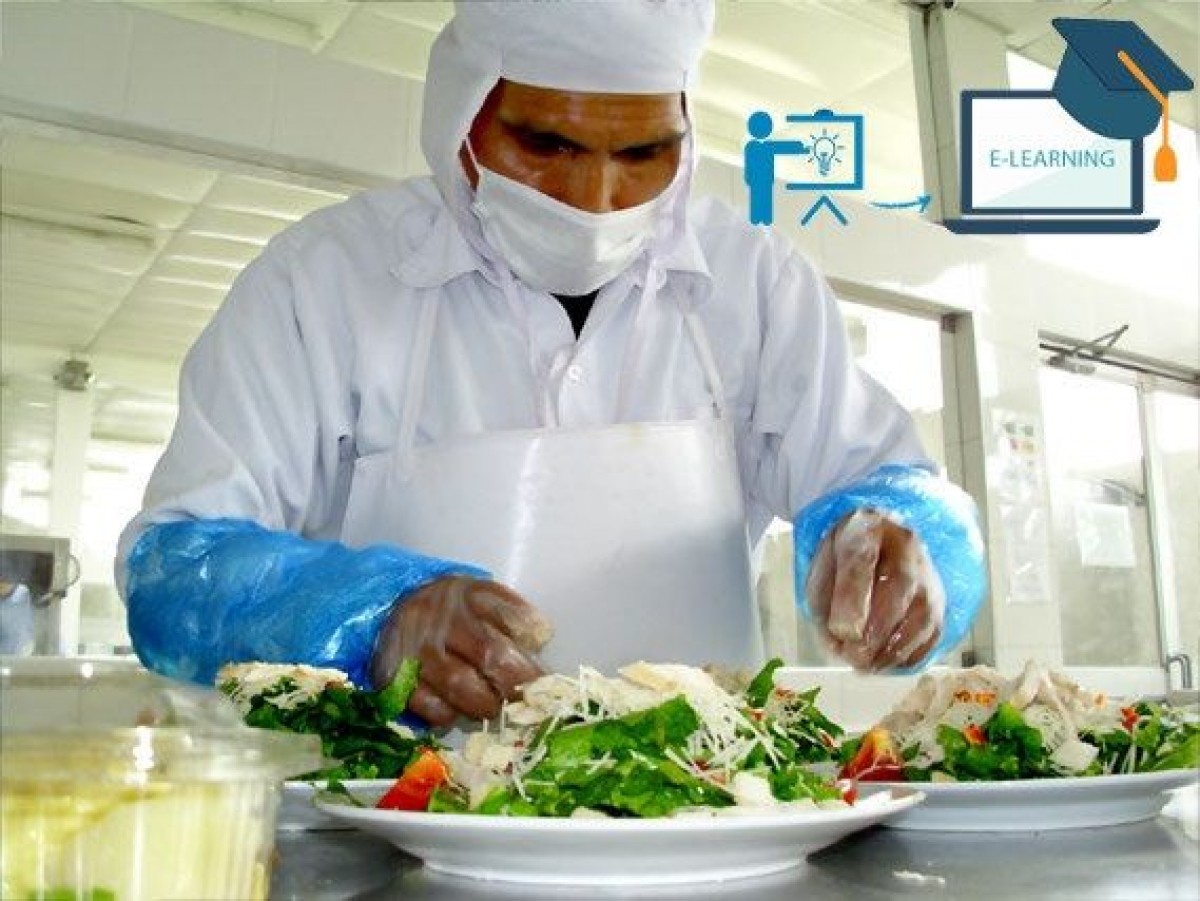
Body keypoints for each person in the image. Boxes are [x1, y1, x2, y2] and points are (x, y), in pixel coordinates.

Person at [117, 0, 986, 728]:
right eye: (547, 144)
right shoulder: (323, 282)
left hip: (706, 812)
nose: (593, 201)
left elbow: (900, 491)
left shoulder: (756, 286)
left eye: (643, 155)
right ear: (462, 116)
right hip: (395, 817)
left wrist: (899, 553)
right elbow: (174, 569)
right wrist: (372, 614)